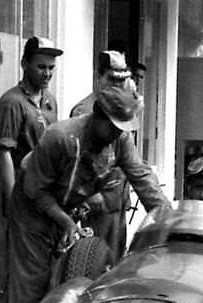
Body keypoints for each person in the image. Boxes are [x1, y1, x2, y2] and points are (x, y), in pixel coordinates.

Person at [5, 84, 169, 303]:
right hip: (31, 211)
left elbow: (143, 179)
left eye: (122, 128)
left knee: (65, 286)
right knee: (31, 284)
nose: (117, 133)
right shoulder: (59, 137)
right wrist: (67, 223)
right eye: (114, 126)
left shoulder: (121, 140)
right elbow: (36, 192)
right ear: (97, 114)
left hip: (67, 207)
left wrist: (167, 226)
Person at [70, 50, 139, 263]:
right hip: (96, 204)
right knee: (93, 264)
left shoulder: (124, 107)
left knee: (116, 263)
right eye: (111, 78)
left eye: (122, 79)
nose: (117, 85)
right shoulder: (86, 111)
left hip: (117, 200)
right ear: (98, 77)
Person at [0, 36, 63, 212]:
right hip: (22, 193)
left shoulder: (50, 100)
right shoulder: (12, 103)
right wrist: (12, 203)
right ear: (24, 64)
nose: (47, 74)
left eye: (51, 68)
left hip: (46, 194)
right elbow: (4, 154)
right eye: (41, 67)